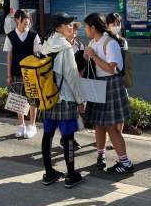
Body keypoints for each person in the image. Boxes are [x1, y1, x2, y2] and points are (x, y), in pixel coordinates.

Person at [84, 12, 133, 174]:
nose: (85, 30)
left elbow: (111, 69)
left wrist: (93, 56)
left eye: (86, 27)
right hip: (99, 84)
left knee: (112, 127)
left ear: (93, 27)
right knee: (98, 124)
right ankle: (101, 155)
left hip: (110, 83)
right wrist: (87, 57)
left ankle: (125, 162)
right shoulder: (93, 41)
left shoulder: (110, 43)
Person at [40, 13, 85, 188]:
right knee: (68, 138)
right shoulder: (65, 47)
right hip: (65, 97)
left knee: (47, 135)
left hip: (48, 97)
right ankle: (71, 175)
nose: (71, 27)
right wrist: (80, 100)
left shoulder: (46, 42)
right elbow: (72, 76)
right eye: (68, 25)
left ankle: (49, 173)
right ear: (59, 27)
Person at [4, 9, 41, 138]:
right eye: (24, 22)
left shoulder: (34, 35)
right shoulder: (10, 36)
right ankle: (21, 125)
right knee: (18, 99)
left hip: (31, 73)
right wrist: (8, 75)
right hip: (16, 72)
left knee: (32, 99)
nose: (27, 24)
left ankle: (32, 125)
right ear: (17, 20)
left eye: (28, 22)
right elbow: (9, 56)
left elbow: (37, 54)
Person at [60, 20, 83, 151]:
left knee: (74, 113)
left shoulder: (79, 45)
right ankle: (66, 138)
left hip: (76, 82)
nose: (74, 31)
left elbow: (83, 64)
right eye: (72, 28)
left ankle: (69, 138)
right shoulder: (61, 45)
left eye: (76, 29)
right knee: (66, 113)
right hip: (63, 84)